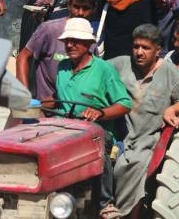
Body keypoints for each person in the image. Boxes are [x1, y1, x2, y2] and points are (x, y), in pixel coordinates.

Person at [108, 24, 179, 219]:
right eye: (136, 46)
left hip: (147, 138)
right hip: (120, 133)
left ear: (157, 50)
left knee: (135, 164)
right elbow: (96, 69)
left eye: (145, 48)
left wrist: (172, 109)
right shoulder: (121, 63)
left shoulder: (168, 71)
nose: (139, 52)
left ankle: (128, 215)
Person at [52, 18, 132, 219]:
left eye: (76, 40)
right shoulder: (62, 67)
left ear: (89, 44)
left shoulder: (104, 69)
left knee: (96, 144)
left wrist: (100, 112)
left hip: (96, 130)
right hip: (65, 129)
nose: (70, 45)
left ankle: (105, 203)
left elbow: (125, 104)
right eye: (67, 40)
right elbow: (58, 99)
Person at [16, 0, 99, 100]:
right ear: (68, 5)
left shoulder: (91, 39)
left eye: (86, 8)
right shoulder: (50, 29)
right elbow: (23, 57)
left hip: (74, 105)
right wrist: (24, 95)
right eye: (76, 7)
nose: (80, 13)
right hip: (45, 105)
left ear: (94, 9)